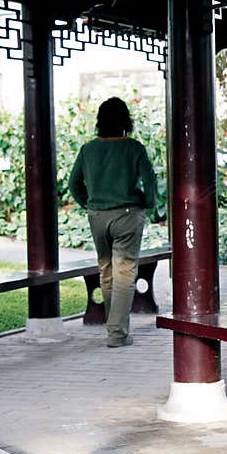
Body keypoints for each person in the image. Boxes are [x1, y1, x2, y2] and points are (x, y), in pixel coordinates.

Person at [67, 97, 160, 347]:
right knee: (125, 274)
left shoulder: (88, 149)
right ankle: (117, 334)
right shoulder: (134, 148)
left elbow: (73, 184)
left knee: (106, 271)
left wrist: (88, 203)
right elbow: (150, 183)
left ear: (100, 121)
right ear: (125, 120)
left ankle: (114, 327)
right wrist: (149, 202)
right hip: (128, 215)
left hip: (97, 217)